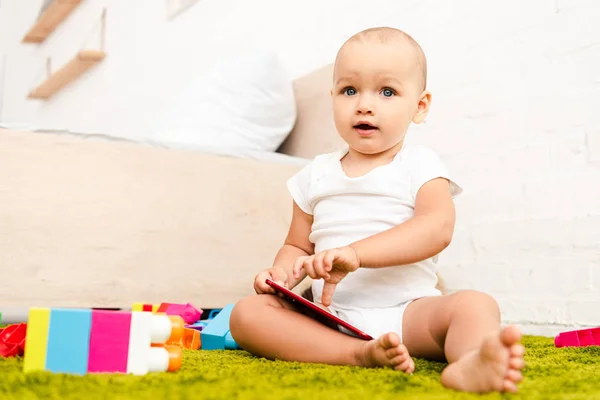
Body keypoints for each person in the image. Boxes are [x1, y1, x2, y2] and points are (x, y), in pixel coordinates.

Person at [229, 26, 525, 394]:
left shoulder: (420, 164)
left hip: (408, 314)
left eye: (387, 92)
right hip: (327, 318)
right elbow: (298, 246)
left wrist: (356, 254)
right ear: (332, 97)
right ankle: (358, 353)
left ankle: (469, 363)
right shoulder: (313, 175)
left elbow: (437, 228)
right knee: (247, 314)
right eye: (349, 90)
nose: (364, 104)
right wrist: (282, 274)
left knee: (474, 305)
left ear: (419, 107)